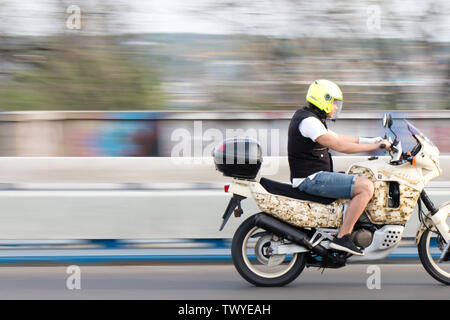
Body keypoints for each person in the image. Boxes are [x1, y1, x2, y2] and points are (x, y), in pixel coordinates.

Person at [288, 80, 391, 256]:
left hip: (316, 176)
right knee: (366, 187)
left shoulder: (312, 119)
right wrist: (377, 147)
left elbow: (339, 137)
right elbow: (340, 146)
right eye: (334, 102)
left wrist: (372, 140)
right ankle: (343, 237)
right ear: (324, 99)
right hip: (311, 179)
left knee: (358, 178)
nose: (336, 107)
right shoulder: (308, 122)